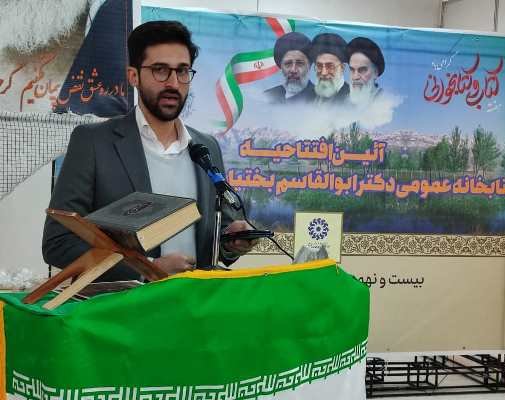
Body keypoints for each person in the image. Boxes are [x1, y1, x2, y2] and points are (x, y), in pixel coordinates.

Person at [42, 20, 257, 281]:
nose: (173, 83)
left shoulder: (205, 147)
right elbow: (58, 243)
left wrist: (231, 241)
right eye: (160, 70)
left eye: (182, 71)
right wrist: (148, 268)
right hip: (126, 305)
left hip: (194, 302)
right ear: (133, 76)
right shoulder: (93, 142)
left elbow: (211, 240)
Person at [264, 32, 314, 104]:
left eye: (299, 63)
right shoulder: (268, 96)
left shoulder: (320, 99)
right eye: (288, 64)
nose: (293, 70)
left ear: (309, 66)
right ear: (281, 66)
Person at [309, 33, 349, 105]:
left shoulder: (351, 98)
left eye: (330, 66)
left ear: (342, 68)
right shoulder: (308, 97)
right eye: (319, 66)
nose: (323, 73)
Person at [346, 37, 385, 107]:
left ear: (376, 72)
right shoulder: (343, 103)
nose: (355, 77)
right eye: (352, 70)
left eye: (362, 70)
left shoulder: (384, 104)